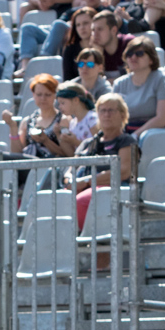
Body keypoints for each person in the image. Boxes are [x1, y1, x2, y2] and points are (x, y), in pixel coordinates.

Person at [71, 94, 138, 230]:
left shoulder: (127, 142)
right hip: (84, 188)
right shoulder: (88, 143)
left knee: (81, 201)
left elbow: (124, 172)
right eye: (102, 110)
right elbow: (71, 168)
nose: (106, 114)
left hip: (111, 191)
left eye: (111, 110)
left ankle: (82, 238)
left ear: (122, 115)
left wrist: (89, 181)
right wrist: (69, 180)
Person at [113, 37, 165, 133]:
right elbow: (114, 116)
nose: (133, 57)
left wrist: (135, 136)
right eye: (129, 54)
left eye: (139, 54)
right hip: (128, 133)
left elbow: (163, 118)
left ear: (151, 59)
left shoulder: (163, 79)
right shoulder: (119, 83)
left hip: (159, 133)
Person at [1, 74, 67, 160]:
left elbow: (68, 154)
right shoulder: (27, 122)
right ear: (33, 95)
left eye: (48, 94)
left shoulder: (63, 120)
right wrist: (13, 127)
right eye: (39, 94)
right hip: (30, 170)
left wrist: (46, 141)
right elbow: (17, 154)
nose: (43, 98)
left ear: (55, 95)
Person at [56, 83, 98, 157]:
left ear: (76, 100)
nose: (60, 107)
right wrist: (59, 136)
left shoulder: (92, 119)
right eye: (59, 103)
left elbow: (96, 148)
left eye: (63, 103)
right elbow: (71, 155)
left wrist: (75, 141)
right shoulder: (72, 123)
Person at [59, 7, 97, 81]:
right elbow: (67, 79)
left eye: (85, 23)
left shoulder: (103, 44)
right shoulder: (70, 49)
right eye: (78, 25)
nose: (82, 28)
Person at [90, 12, 126, 77]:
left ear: (113, 30)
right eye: (93, 30)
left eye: (100, 29)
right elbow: (95, 83)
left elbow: (135, 79)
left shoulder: (128, 44)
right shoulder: (94, 48)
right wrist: (98, 55)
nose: (95, 35)